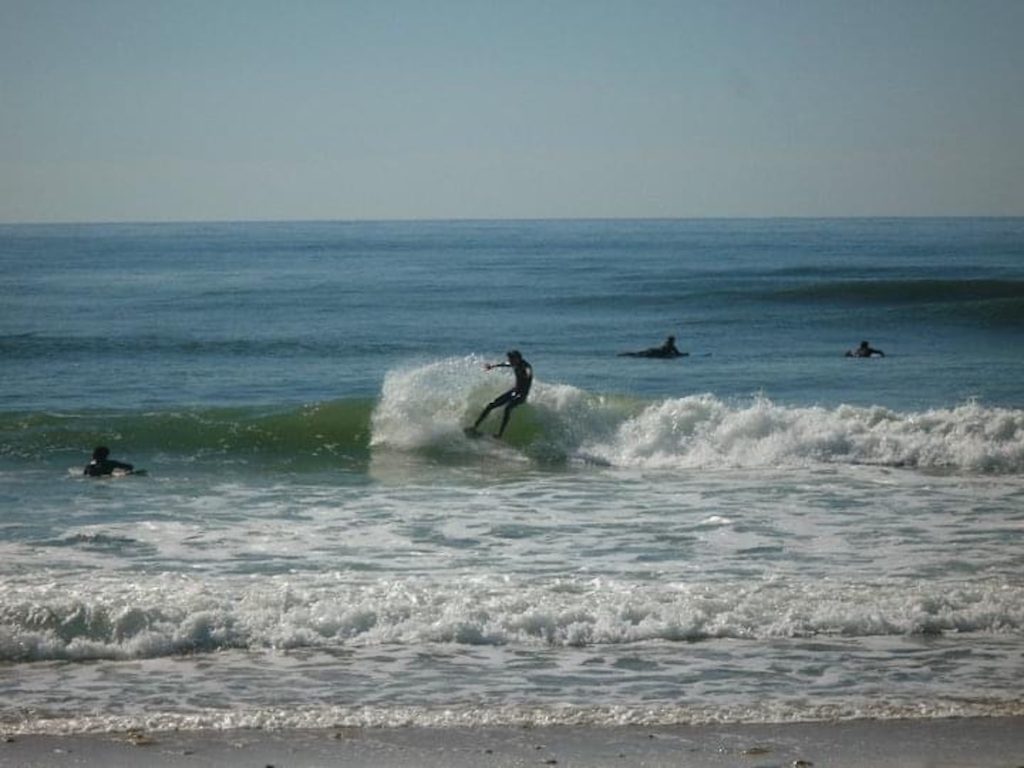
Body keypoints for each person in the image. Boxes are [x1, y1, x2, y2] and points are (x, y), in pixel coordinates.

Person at [469, 350, 533, 438]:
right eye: (509, 359)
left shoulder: (526, 366)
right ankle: (474, 427)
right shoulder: (514, 363)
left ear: (518, 358)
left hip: (522, 395)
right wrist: (492, 366)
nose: (510, 361)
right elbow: (505, 364)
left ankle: (500, 434)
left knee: (507, 409)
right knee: (491, 405)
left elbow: (528, 371)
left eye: (511, 359)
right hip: (514, 391)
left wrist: (528, 375)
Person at [619, 335, 687, 359]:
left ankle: (623, 354)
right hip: (655, 353)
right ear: (673, 340)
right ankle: (624, 354)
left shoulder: (666, 344)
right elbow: (678, 354)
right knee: (637, 355)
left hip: (653, 350)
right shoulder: (671, 346)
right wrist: (685, 354)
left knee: (637, 354)